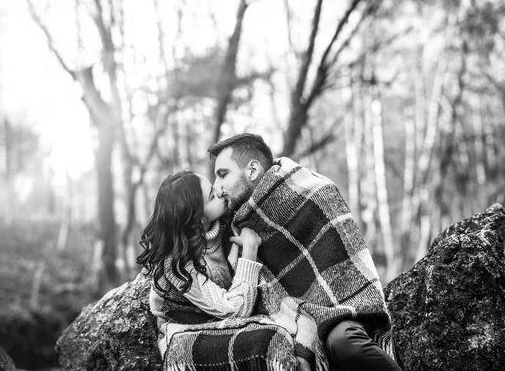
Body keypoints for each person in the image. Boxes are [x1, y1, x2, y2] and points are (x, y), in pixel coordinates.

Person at [208, 133, 403, 371]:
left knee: (343, 343)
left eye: (223, 174)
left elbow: (349, 273)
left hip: (340, 311)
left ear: (252, 170)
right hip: (285, 327)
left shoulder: (315, 192)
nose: (217, 186)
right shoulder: (235, 228)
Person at [137, 170, 299, 371]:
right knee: (271, 340)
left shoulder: (225, 224)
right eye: (212, 196)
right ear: (197, 218)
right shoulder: (176, 263)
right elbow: (235, 310)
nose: (220, 190)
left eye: (212, 185)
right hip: (184, 333)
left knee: (295, 327)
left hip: (221, 320)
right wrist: (249, 250)